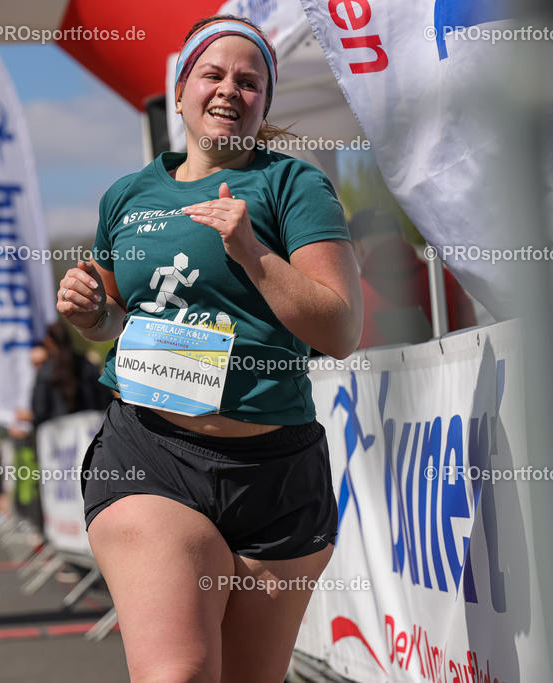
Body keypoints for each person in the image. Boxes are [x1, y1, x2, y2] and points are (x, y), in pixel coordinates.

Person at [58, 15, 362, 682]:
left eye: (249, 81)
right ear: (182, 90)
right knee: (180, 674)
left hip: (276, 474)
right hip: (152, 454)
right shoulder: (129, 195)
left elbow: (340, 330)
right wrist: (90, 312)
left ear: (265, 102)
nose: (231, 90)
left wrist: (253, 252)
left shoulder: (293, 185)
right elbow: (113, 314)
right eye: (213, 74)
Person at [349, 208, 477, 348]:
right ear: (402, 237)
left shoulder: (353, 298)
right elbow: (474, 338)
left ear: (358, 248)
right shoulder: (445, 280)